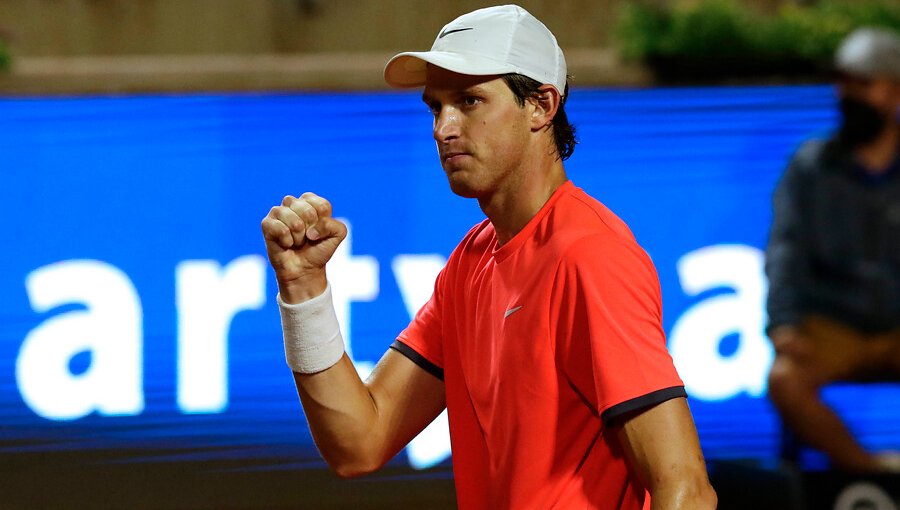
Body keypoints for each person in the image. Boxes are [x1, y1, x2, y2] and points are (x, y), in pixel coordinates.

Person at [261, 5, 716, 509]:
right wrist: (303, 290)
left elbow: (687, 491)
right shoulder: (471, 262)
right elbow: (359, 442)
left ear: (542, 106)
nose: (443, 128)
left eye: (470, 100)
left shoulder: (591, 256)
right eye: (436, 107)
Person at [766, 27, 900, 473]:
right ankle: (871, 475)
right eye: (843, 83)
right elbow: (786, 248)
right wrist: (784, 322)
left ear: (894, 90)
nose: (847, 95)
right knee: (785, 380)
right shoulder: (811, 165)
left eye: (863, 84)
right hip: (834, 327)